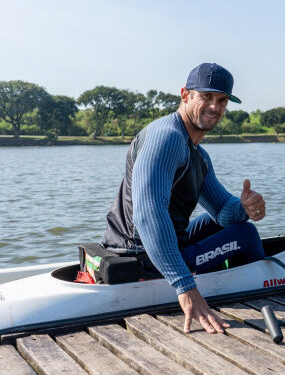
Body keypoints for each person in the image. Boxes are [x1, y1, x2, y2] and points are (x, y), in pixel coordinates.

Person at [101, 63, 266, 334]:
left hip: (157, 245)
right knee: (246, 236)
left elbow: (223, 210)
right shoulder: (166, 138)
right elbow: (148, 214)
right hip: (141, 256)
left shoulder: (198, 154)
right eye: (206, 97)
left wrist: (245, 206)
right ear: (185, 95)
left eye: (222, 100)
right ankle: (253, 297)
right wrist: (185, 286)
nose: (215, 107)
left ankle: (233, 281)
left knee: (226, 223)